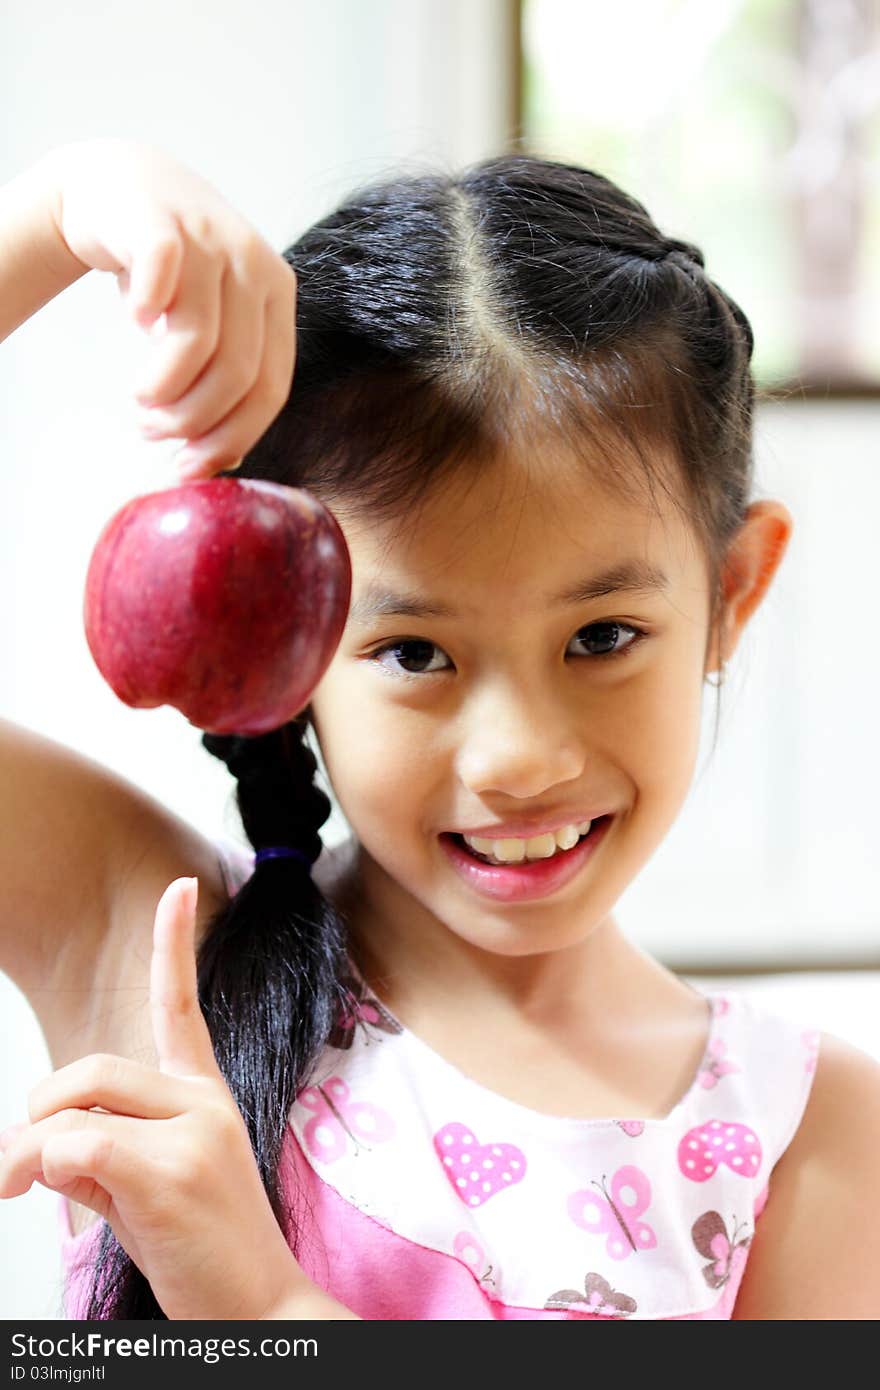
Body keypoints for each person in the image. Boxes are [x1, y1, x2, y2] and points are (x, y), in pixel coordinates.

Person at [0, 139, 877, 1323]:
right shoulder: (156, 951)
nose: (519, 756)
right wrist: (61, 210)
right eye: (415, 652)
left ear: (731, 596)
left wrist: (261, 1308)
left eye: (603, 635)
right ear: (289, 641)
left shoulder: (802, 1137)